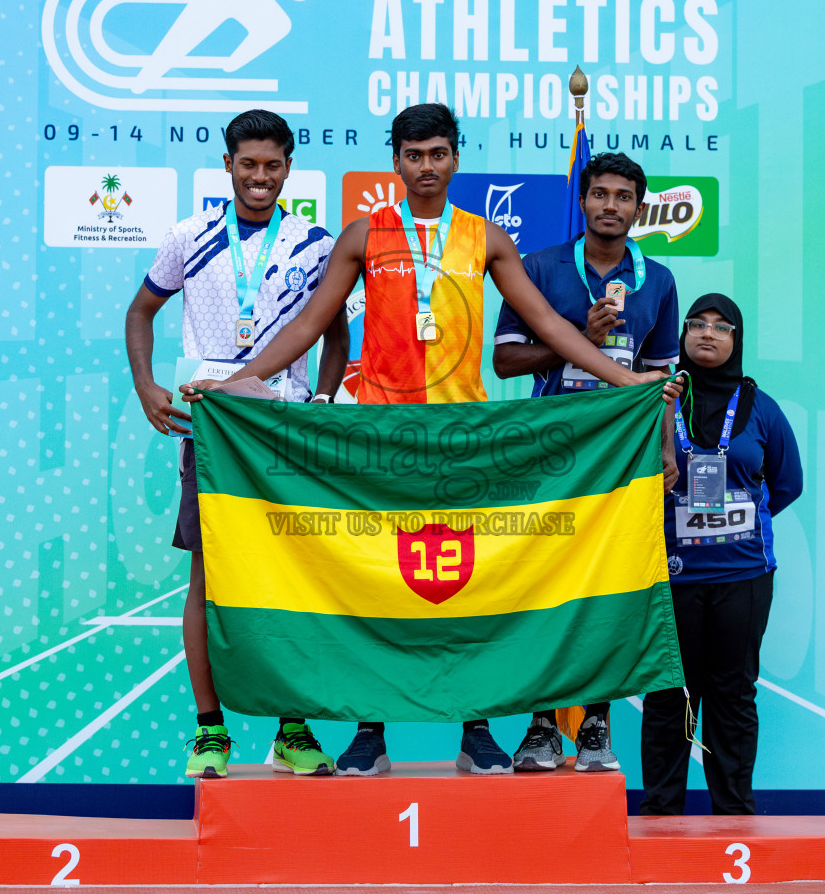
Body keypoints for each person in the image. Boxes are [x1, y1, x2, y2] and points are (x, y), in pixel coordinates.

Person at [185, 103, 670, 776]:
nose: (426, 167)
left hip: (462, 438)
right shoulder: (364, 235)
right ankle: (367, 733)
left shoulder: (486, 238)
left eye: (438, 154)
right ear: (396, 161)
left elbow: (550, 328)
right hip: (380, 437)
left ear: (455, 159)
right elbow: (307, 327)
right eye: (413, 156)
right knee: (375, 586)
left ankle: (475, 732)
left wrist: (624, 379)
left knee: (470, 587)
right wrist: (237, 381)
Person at [123, 109, 349, 779]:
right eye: (247, 164)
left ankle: (293, 729)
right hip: (212, 430)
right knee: (208, 576)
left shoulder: (316, 242)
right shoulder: (189, 235)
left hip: (284, 430)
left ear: (288, 168)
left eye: (272, 165)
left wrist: (324, 403)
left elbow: (335, 334)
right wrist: (145, 386)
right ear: (227, 165)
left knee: (294, 580)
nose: (259, 177)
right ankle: (210, 730)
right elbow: (141, 310)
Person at [494, 151, 683, 774]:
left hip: (622, 458)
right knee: (546, 586)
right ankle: (543, 725)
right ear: (582, 201)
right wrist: (581, 336)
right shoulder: (540, 267)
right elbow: (505, 362)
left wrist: (665, 446)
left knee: (613, 586)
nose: (610, 206)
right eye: (599, 193)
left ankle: (598, 725)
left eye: (623, 197)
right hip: (552, 452)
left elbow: (658, 378)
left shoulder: (658, 280)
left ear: (639, 206)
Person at [639, 294, 803, 815]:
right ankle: (661, 810)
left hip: (743, 576)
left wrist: (731, 526)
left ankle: (734, 810)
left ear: (737, 341)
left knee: (732, 694)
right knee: (670, 696)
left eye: (722, 327)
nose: (708, 334)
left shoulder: (763, 408)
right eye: (697, 325)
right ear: (683, 335)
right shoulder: (656, 400)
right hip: (670, 576)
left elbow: (786, 483)